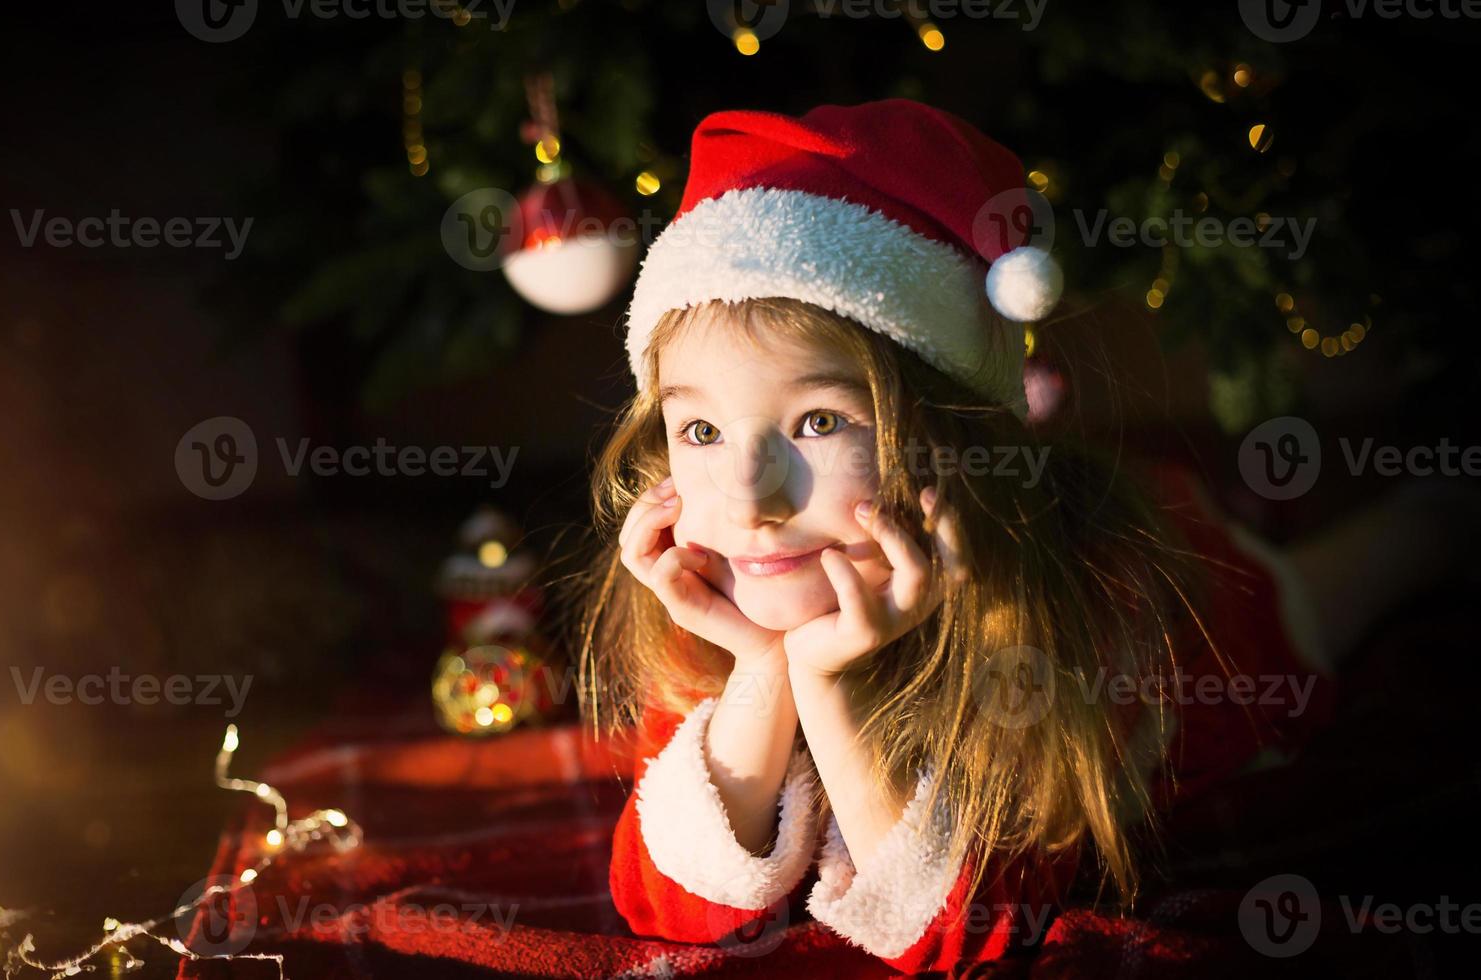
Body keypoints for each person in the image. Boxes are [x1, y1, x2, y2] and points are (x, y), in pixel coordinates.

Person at [565, 99, 1420, 974]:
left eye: (818, 421)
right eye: (700, 432)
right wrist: (765, 670)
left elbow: (974, 941)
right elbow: (668, 912)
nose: (748, 499)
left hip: (1214, 598)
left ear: (952, 443)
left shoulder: (1062, 619)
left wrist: (826, 688)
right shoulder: (722, 587)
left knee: (1353, 578)